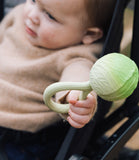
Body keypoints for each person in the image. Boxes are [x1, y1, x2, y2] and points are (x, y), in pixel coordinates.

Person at [0, 0, 116, 159]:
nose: (32, 15)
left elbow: (77, 76)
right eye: (33, 1)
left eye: (50, 16)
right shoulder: (19, 15)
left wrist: (75, 95)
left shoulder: (75, 56)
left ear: (88, 34)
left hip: (23, 135)